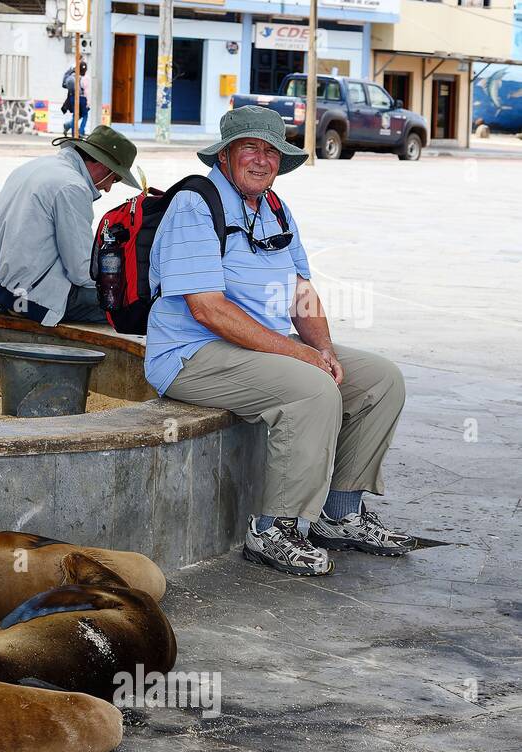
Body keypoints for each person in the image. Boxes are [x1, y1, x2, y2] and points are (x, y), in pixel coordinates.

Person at [146, 106, 416, 577]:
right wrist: (300, 354)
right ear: (226, 156)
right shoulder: (195, 203)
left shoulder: (273, 206)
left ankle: (340, 512)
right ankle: (274, 529)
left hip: (259, 346)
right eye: (250, 147)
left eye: (272, 150)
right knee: (311, 388)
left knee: (380, 380)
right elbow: (206, 308)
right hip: (191, 353)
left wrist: (324, 349)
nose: (262, 159)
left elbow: (301, 291)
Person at [0, 127, 139, 327]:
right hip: (24, 300)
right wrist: (121, 282)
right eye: (115, 178)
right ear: (103, 165)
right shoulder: (72, 187)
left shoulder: (39, 165)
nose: (109, 187)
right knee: (132, 304)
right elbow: (81, 270)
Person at [61, 61, 88, 136]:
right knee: (81, 115)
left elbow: (65, 85)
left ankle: (68, 126)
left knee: (78, 115)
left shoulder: (71, 75)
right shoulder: (75, 76)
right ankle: (77, 132)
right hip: (78, 97)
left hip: (73, 97)